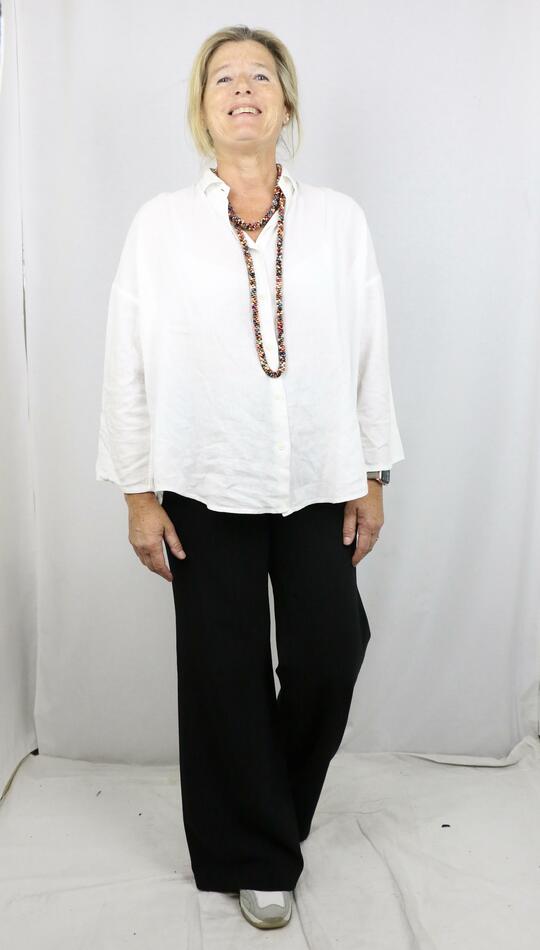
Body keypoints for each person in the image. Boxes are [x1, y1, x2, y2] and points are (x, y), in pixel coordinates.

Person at [95, 24, 405, 930]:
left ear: (285, 101)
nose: (242, 89)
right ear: (202, 107)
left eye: (260, 76)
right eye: (223, 78)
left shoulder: (339, 221)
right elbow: (126, 362)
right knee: (223, 672)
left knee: (330, 651)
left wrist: (372, 472)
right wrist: (138, 495)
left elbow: (369, 350)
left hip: (317, 477)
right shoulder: (160, 225)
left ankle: (264, 817)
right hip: (203, 478)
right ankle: (257, 858)